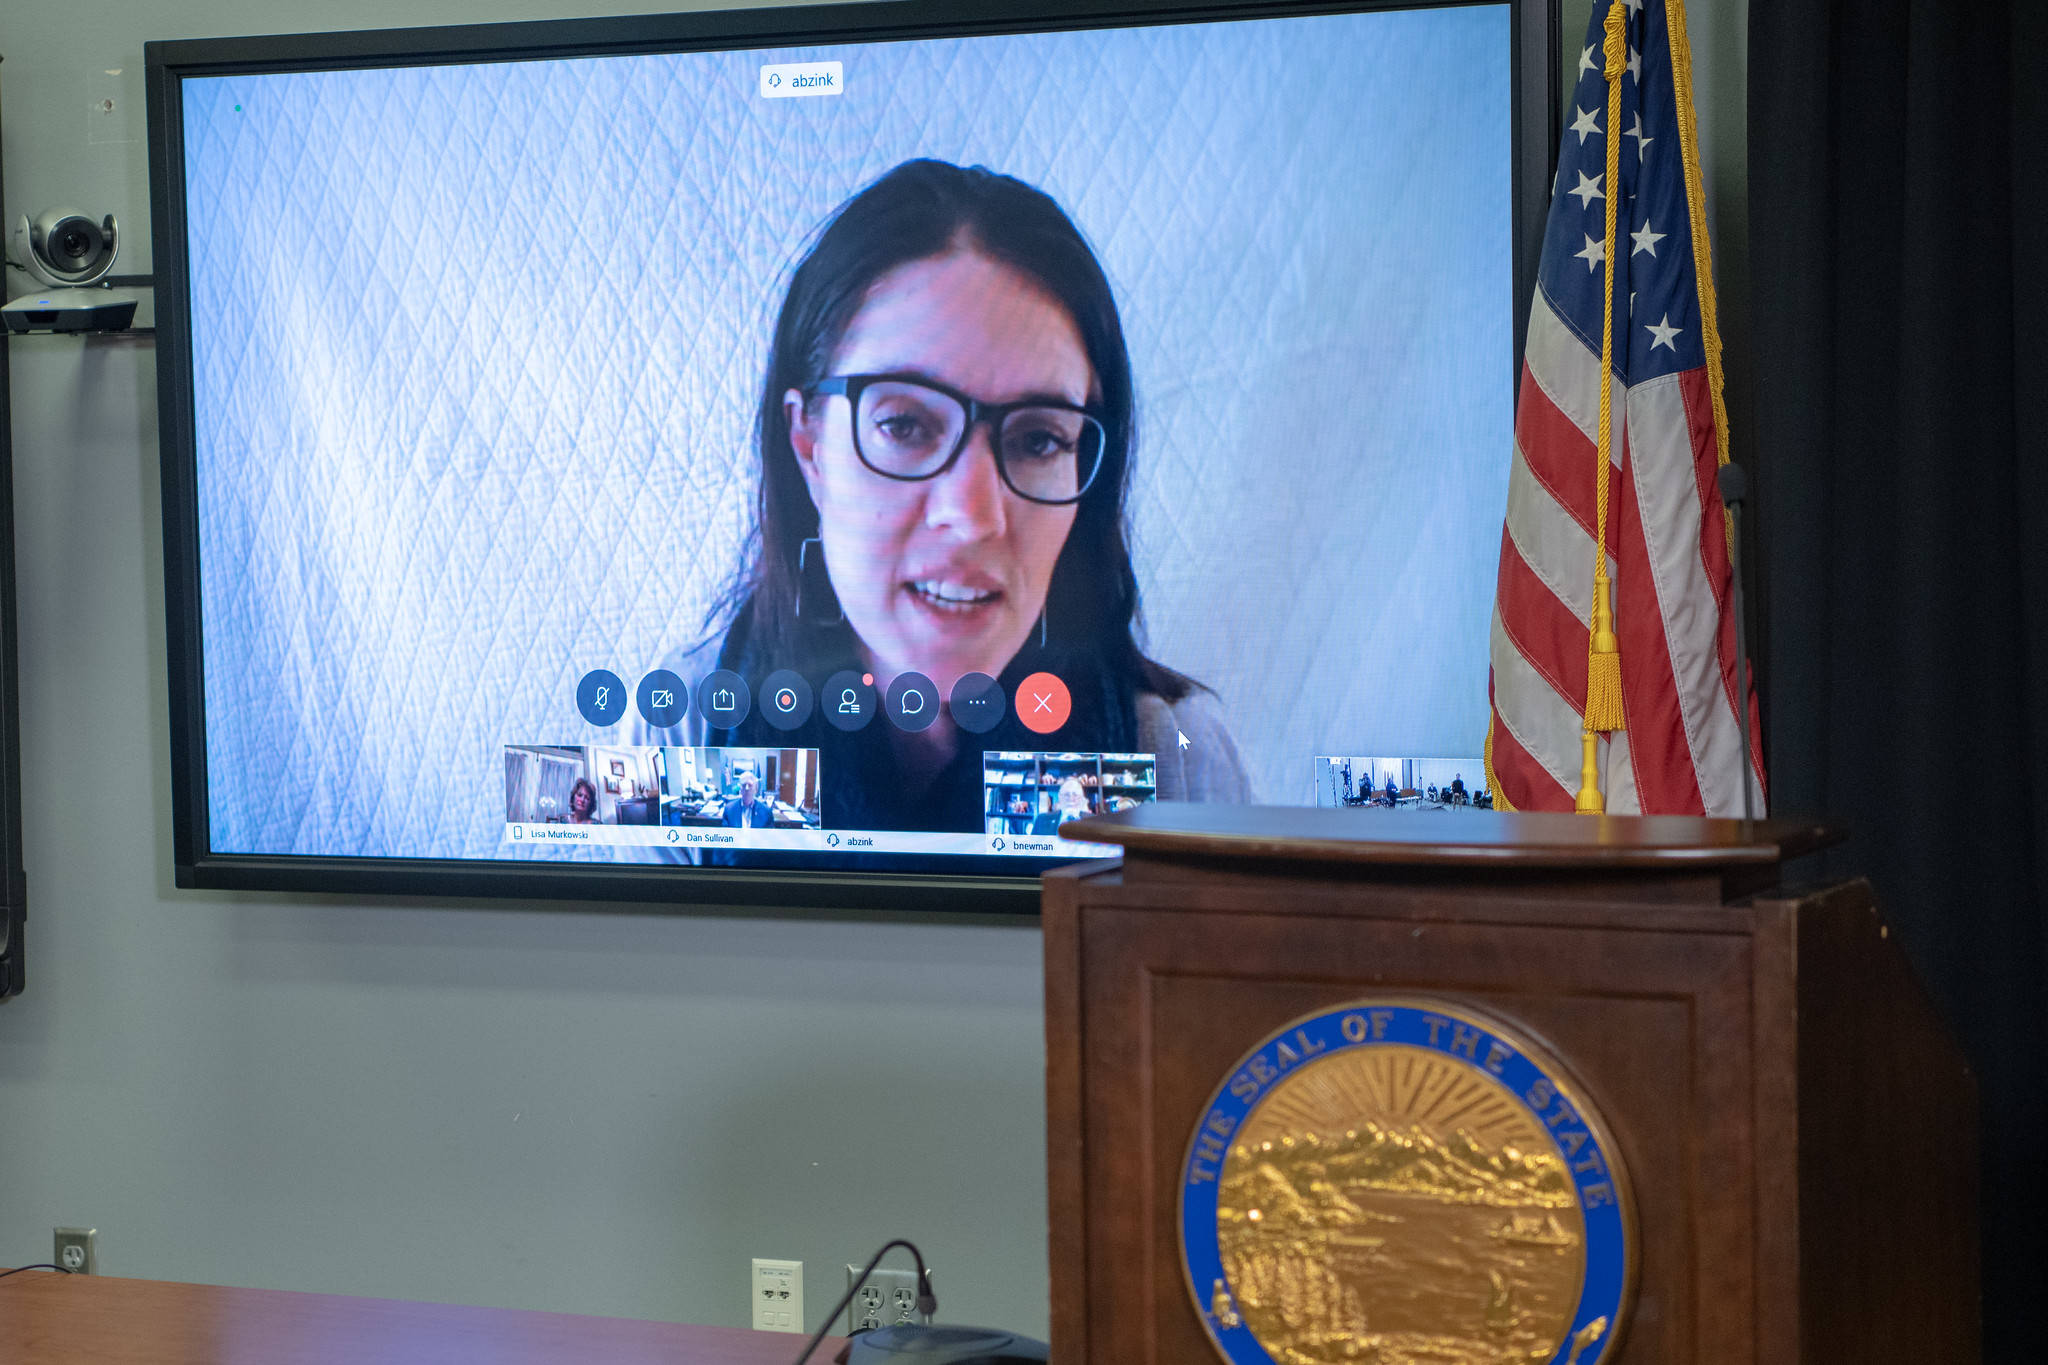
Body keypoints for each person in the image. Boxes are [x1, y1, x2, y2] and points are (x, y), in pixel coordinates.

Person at [649, 159, 1251, 833]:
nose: (971, 517)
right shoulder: (680, 734)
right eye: (905, 425)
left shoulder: (1177, 762)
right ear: (810, 445)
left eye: (1039, 440)